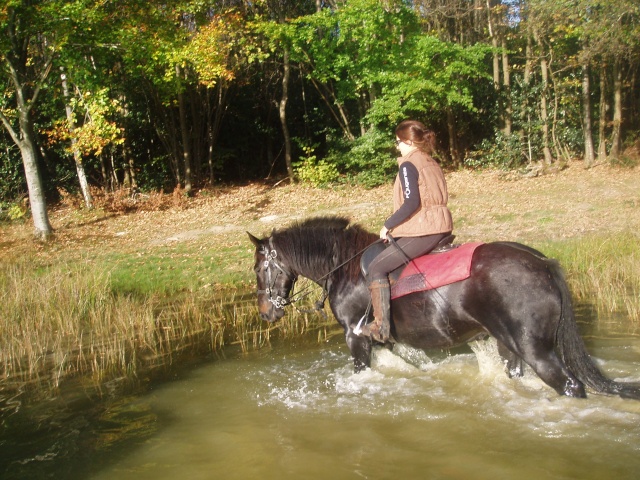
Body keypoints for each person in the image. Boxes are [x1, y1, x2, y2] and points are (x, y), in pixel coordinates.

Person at [360, 120, 453, 343]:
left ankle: (380, 327)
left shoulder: (408, 165)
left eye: (399, 142)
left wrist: (388, 224)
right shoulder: (431, 162)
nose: (397, 146)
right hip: (441, 224)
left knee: (377, 267)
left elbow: (412, 202)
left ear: (410, 142)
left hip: (425, 229)